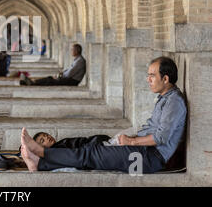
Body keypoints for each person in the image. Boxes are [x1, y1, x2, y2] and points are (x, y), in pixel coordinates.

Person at [20, 57, 187, 174]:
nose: (148, 79)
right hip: (143, 151)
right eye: (148, 75)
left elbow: (160, 138)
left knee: (90, 155)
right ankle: (41, 160)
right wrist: (131, 138)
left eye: (152, 75)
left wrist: (132, 141)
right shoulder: (165, 99)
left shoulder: (174, 102)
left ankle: (40, 156)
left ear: (165, 79)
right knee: (90, 149)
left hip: (149, 158)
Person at [20, 44, 86, 86]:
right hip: (70, 79)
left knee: (50, 80)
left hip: (72, 81)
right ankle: (33, 82)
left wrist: (59, 77)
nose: (71, 51)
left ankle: (33, 83)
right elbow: (69, 71)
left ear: (77, 51)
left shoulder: (79, 61)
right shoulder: (78, 59)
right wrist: (60, 74)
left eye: (72, 50)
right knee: (50, 78)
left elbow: (70, 73)